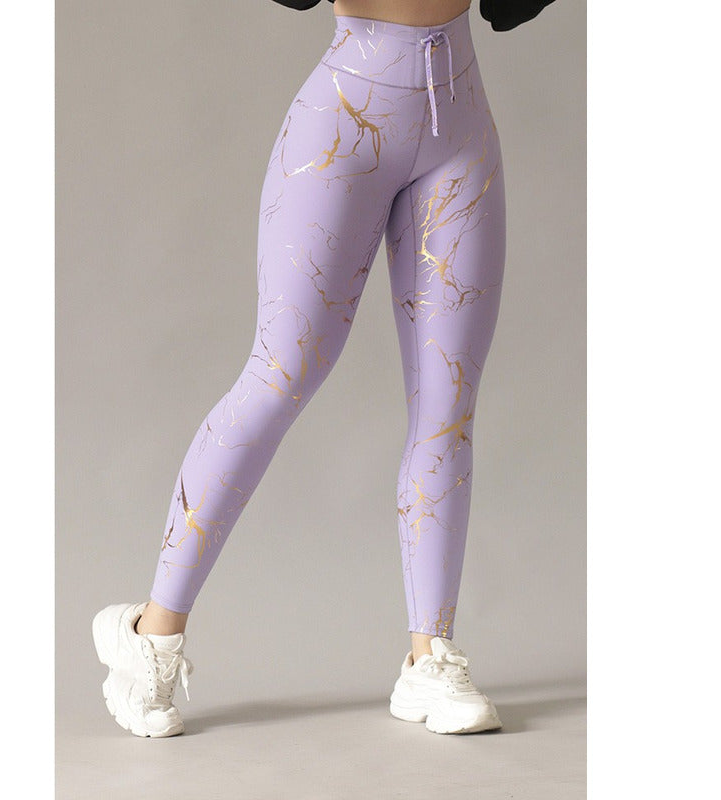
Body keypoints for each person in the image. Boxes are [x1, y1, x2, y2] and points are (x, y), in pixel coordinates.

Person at [92, 0, 556, 738]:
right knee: (280, 374)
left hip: (459, 120)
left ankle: (429, 658)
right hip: (345, 117)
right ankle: (151, 636)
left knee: (449, 404)